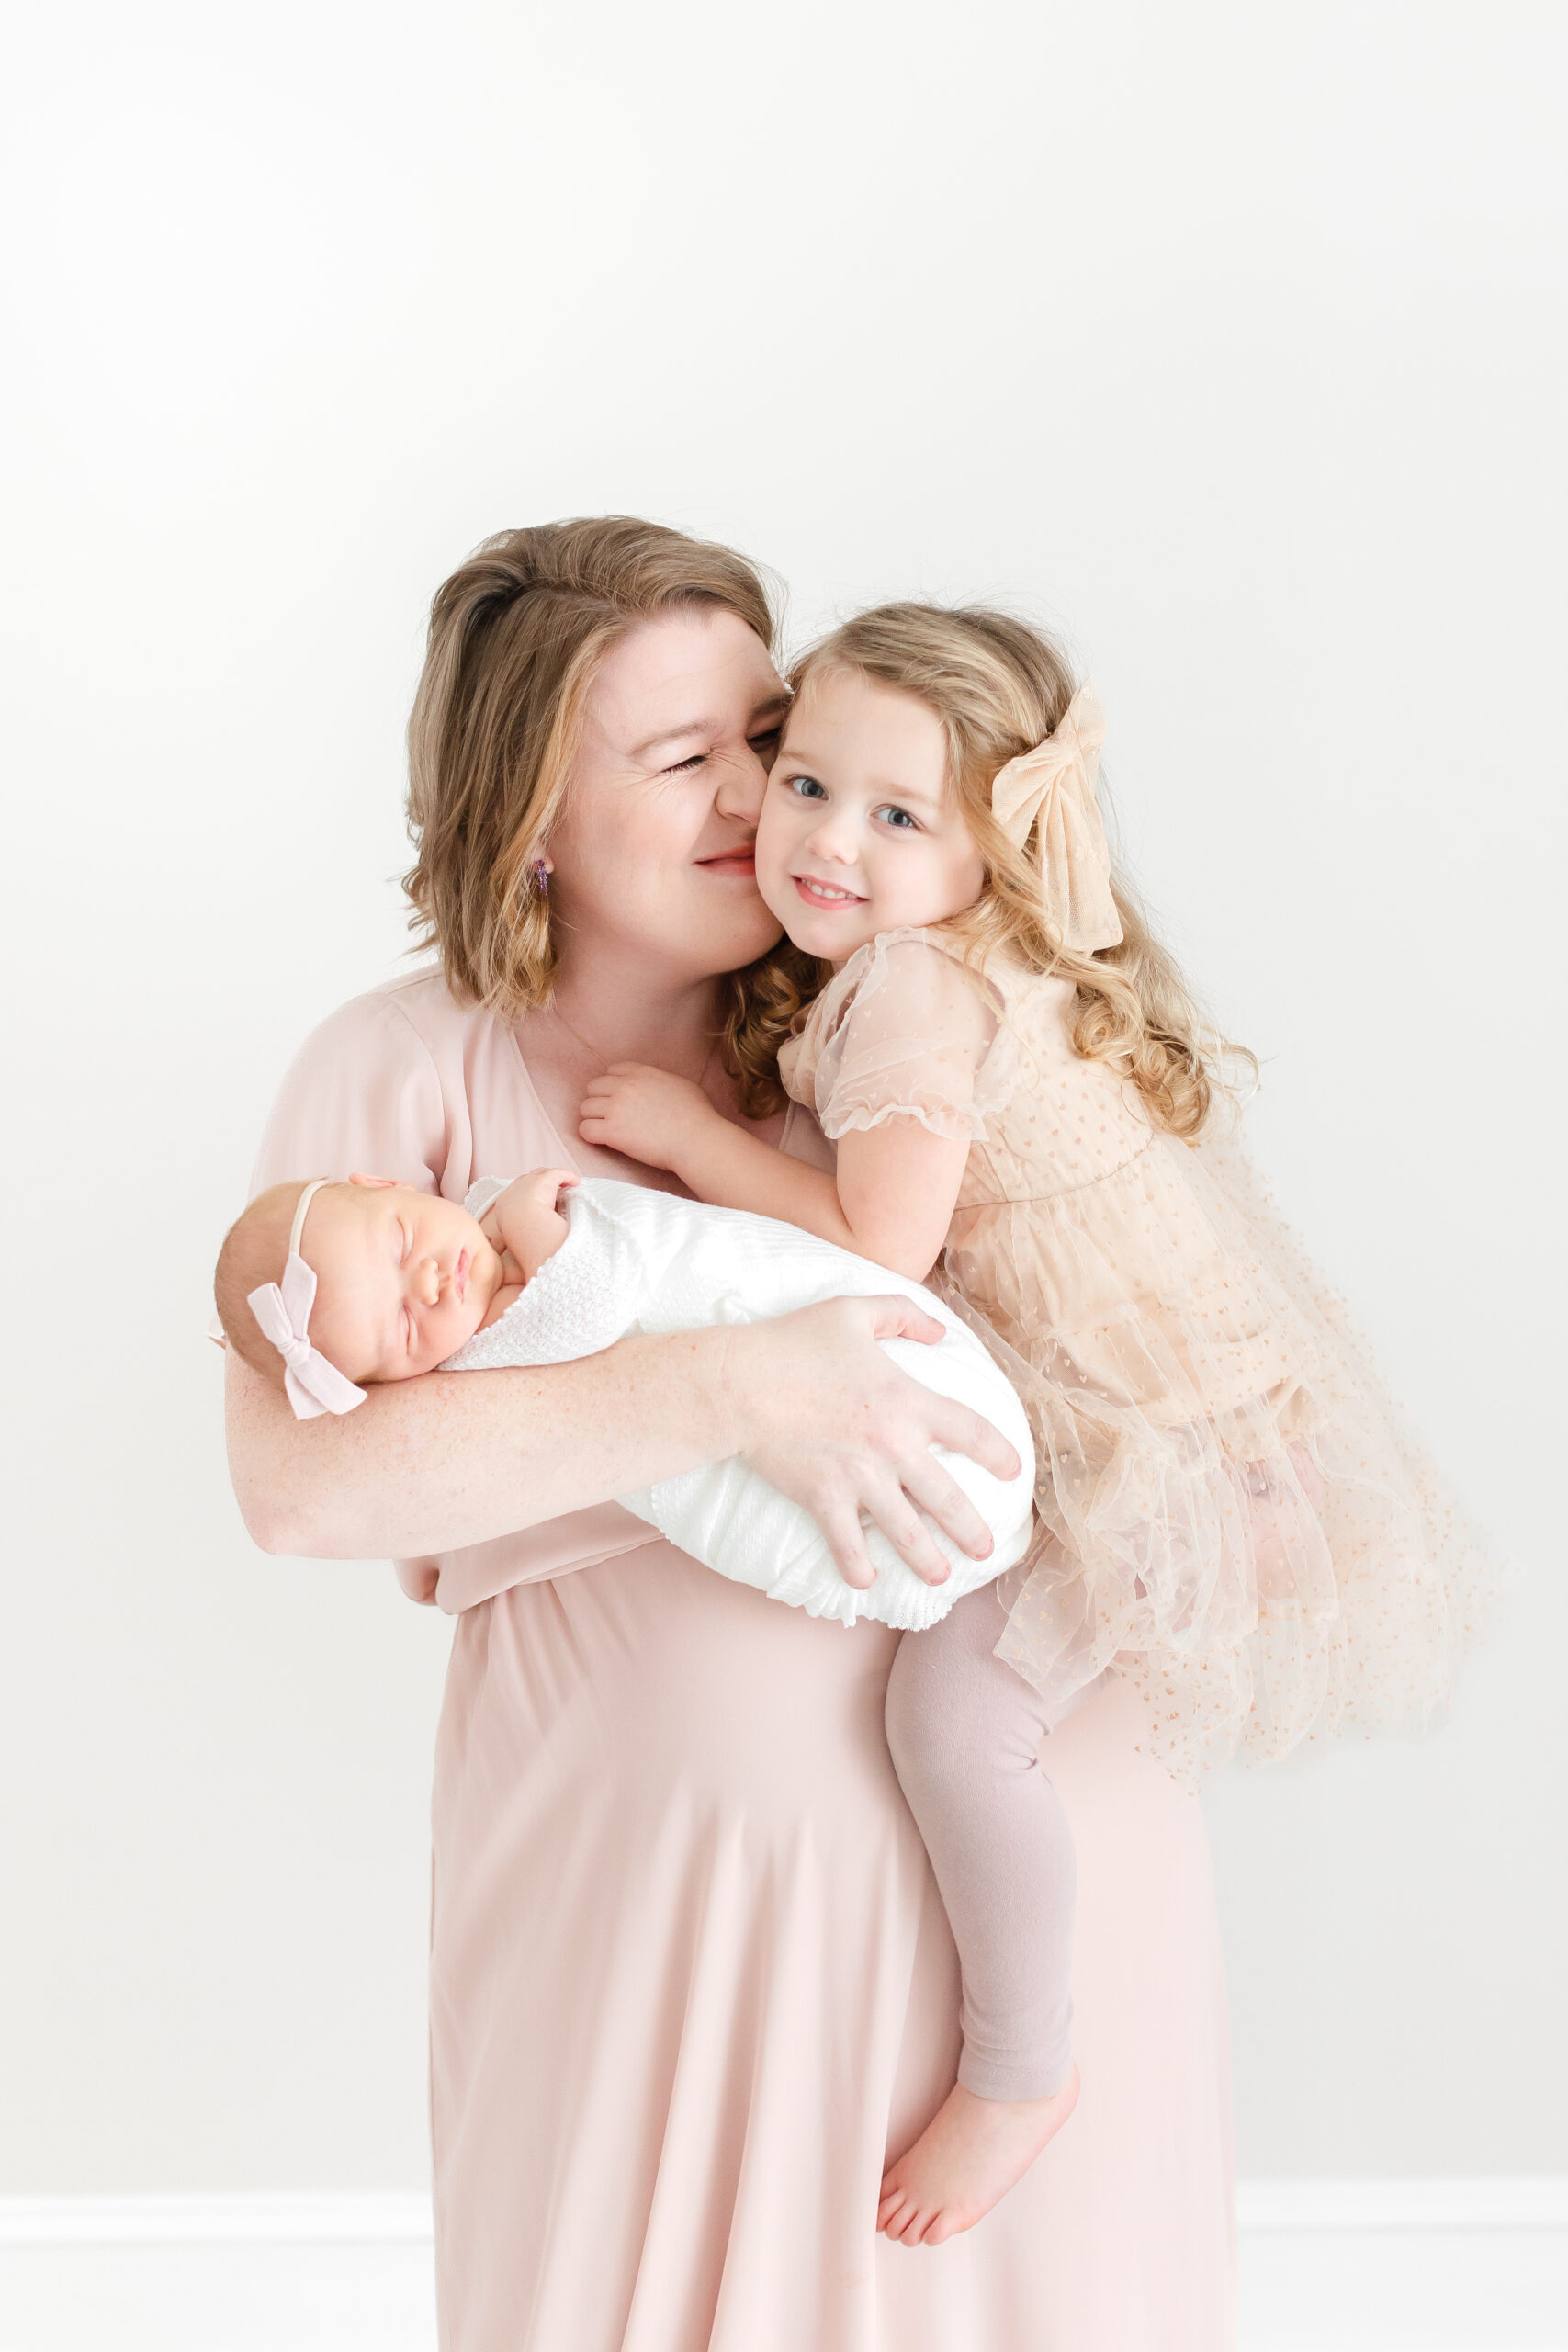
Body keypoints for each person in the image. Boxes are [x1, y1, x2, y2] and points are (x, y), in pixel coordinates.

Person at [225, 516, 1237, 2351]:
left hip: (1029, 1872)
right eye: (679, 757)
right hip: (661, 1924)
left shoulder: (895, 1031)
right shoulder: (405, 1067)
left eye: (763, 735)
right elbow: (295, 1488)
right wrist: (725, 1390)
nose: (762, 795)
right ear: (526, 808)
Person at [581, 599, 1505, 2252]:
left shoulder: (913, 997)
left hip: (1175, 1464)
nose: (824, 843)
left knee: (956, 1725)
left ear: (990, 851)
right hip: (1216, 1424)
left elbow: (877, 1249)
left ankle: (1021, 2065)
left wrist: (676, 1129)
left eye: (895, 816)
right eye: (804, 786)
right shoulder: (968, 961)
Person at [211, 1163, 1036, 1623]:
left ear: (381, 1181)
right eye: (398, 1327)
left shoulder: (469, 1230)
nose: (426, 1282)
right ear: (391, 1384)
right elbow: (591, 1305)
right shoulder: (489, 1344)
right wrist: (532, 1224)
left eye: (398, 1245)